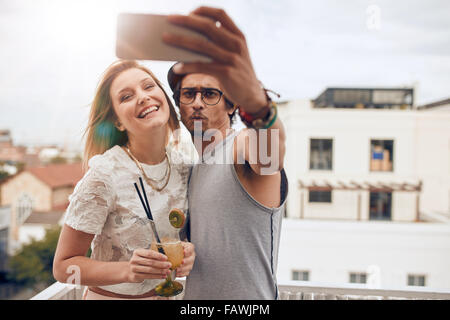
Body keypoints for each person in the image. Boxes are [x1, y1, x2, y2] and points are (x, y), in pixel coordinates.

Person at [164, 7, 288, 299]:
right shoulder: (194, 169)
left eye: (209, 94)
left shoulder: (241, 146)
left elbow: (270, 158)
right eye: (188, 94)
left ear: (231, 105)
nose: (197, 102)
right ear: (179, 105)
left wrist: (258, 107)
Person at [53, 60, 195, 300]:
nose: (142, 97)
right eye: (126, 96)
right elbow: (63, 268)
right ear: (118, 121)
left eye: (148, 86)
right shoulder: (104, 175)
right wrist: (127, 270)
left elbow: (180, 235)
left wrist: (188, 251)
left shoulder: (184, 168)